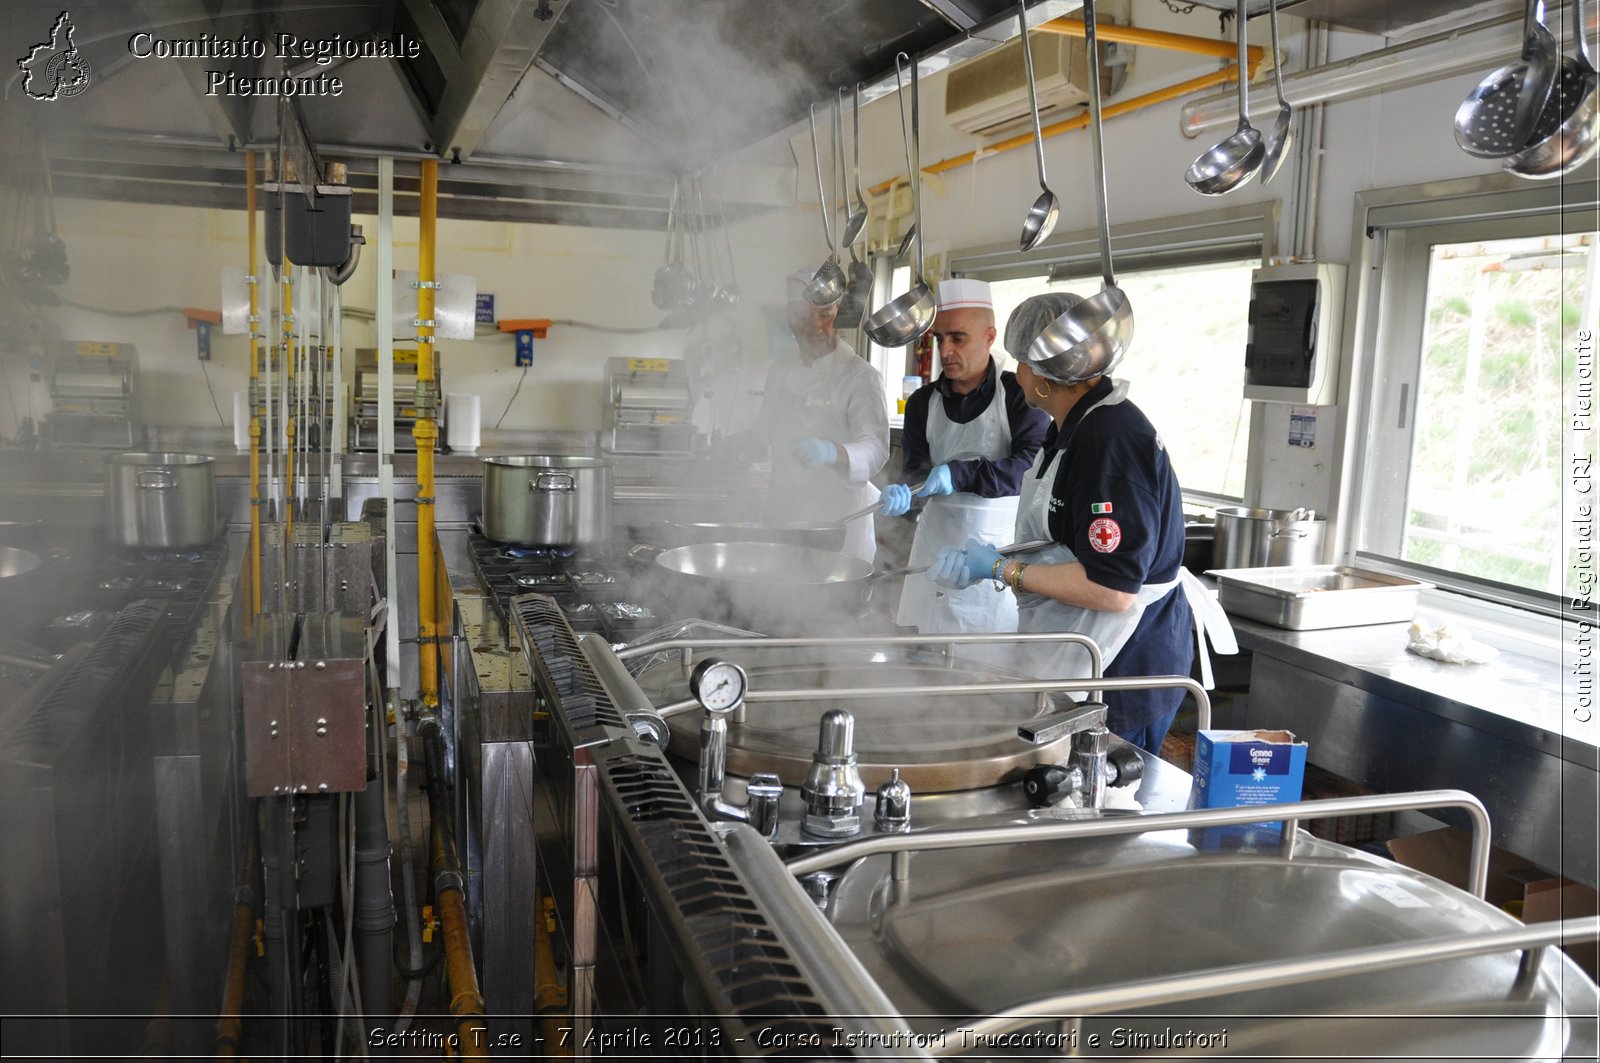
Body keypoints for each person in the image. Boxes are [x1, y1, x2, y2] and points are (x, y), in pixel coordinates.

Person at [928, 292, 1235, 755]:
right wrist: (993, 559)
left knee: (1106, 799)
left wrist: (1001, 571)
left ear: (1049, 376)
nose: (1016, 376)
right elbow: (1066, 538)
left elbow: (1112, 587)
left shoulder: (1108, 442)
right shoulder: (1073, 426)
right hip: (1087, 649)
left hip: (1122, 664)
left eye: (1021, 364)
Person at [883, 278, 1050, 634]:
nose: (945, 351)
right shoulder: (922, 403)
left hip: (994, 555)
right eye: (939, 338)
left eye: (958, 338)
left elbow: (1031, 469)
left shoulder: (1019, 395)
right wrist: (904, 497)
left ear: (989, 337)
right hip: (933, 549)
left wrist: (959, 474)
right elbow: (916, 475)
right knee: (918, 654)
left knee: (986, 663)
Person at [741, 271, 890, 563]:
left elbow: (875, 449)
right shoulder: (780, 370)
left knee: (834, 605)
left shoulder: (860, 376)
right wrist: (740, 446)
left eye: (824, 314)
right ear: (788, 317)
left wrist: (832, 452)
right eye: (803, 317)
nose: (816, 327)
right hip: (784, 517)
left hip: (838, 524)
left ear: (836, 311)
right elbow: (764, 431)